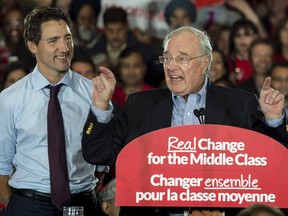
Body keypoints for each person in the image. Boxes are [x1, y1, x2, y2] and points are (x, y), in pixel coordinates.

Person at [81, 26, 288, 216]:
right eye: (167, 58)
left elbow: (275, 165)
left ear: (205, 62)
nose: (171, 67)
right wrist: (100, 106)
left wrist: (274, 120)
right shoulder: (139, 105)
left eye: (182, 58)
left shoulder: (241, 104)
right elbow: (98, 154)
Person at [0, 7, 105, 216]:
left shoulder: (94, 92)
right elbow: (2, 166)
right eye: (53, 40)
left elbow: (102, 158)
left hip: (82, 204)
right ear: (32, 46)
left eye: (68, 38)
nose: (64, 47)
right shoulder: (10, 98)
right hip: (28, 205)